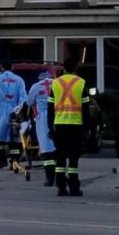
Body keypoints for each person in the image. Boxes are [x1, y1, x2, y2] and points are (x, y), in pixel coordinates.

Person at [47, 56, 90, 197]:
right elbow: (85, 107)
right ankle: (74, 188)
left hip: (59, 125)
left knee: (60, 158)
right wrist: (88, 127)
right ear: (76, 68)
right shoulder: (81, 83)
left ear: (63, 68)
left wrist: (50, 126)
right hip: (76, 125)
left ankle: (60, 187)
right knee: (73, 159)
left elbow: (50, 107)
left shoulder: (55, 83)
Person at [0, 60, 27, 170]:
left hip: (1, 110)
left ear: (1, 67)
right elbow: (23, 97)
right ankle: (15, 162)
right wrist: (22, 111)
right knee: (15, 138)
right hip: (15, 109)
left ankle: (2, 160)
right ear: (12, 67)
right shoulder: (19, 80)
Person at [25, 69, 57, 186]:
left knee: (46, 148)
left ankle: (49, 178)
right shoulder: (58, 84)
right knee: (57, 149)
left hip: (43, 118)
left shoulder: (36, 86)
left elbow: (29, 102)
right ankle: (60, 177)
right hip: (58, 116)